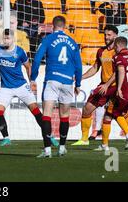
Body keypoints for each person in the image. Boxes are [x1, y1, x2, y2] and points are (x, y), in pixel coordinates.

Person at [0, 29, 58, 147]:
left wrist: (31, 81)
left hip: (21, 86)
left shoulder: (20, 52)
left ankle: (50, 137)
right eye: (4, 38)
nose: (5, 40)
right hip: (6, 88)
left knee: (36, 111)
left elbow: (28, 66)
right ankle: (6, 138)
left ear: (13, 39)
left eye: (8, 38)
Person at [72, 26, 128, 146]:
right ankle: (84, 139)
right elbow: (95, 68)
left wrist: (108, 85)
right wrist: (81, 77)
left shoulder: (119, 52)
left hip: (115, 86)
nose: (106, 37)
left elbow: (119, 71)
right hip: (104, 85)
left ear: (115, 36)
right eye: (105, 35)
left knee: (119, 112)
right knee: (87, 109)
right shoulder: (101, 51)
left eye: (109, 35)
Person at [31, 16, 83, 158]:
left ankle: (47, 150)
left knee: (47, 114)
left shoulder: (47, 39)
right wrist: (78, 84)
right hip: (67, 82)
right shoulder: (72, 42)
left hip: (52, 79)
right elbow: (79, 66)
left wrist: (32, 77)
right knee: (64, 116)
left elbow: (36, 60)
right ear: (64, 27)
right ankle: (62, 148)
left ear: (53, 26)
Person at [98, 37, 128, 151]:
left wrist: (119, 88)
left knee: (113, 113)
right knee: (118, 112)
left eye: (115, 47)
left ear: (118, 46)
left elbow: (121, 71)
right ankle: (105, 144)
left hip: (123, 92)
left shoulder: (118, 57)